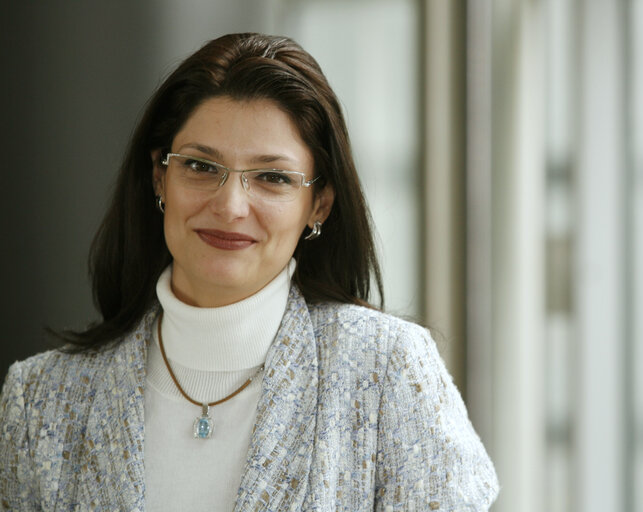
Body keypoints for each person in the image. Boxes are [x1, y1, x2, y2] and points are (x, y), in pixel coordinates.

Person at [0, 33, 498, 510]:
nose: (231, 205)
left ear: (319, 204)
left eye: (273, 177)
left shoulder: (388, 372)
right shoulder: (40, 400)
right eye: (200, 166)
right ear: (160, 177)